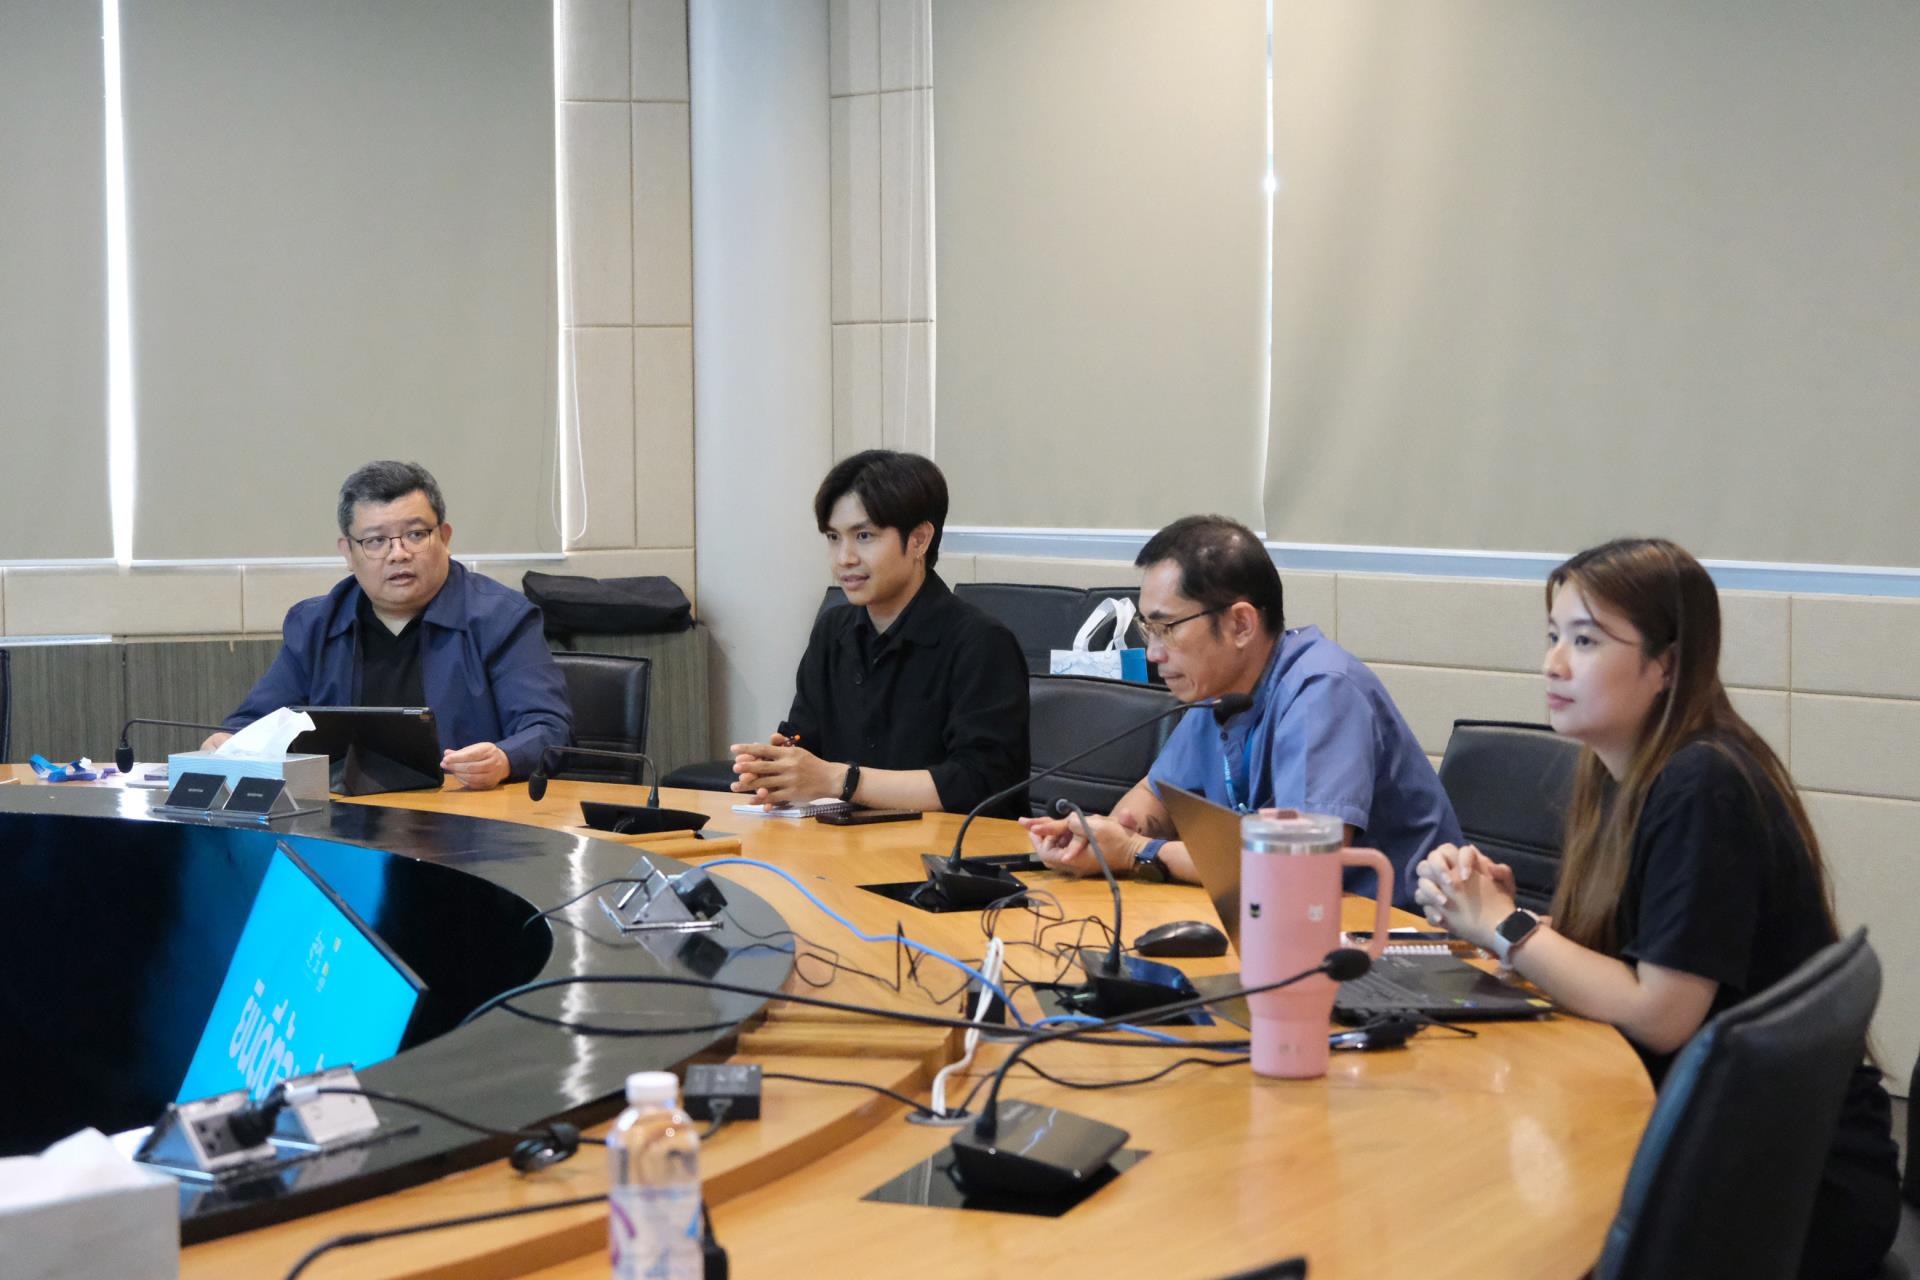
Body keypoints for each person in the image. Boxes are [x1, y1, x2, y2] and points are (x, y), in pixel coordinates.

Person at [1412, 537, 1899, 1280]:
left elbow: (1662, 1010)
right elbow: (1633, 956)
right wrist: (1502, 913)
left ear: (1667, 665)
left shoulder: (1702, 782)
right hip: (1720, 1135)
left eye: (1585, 641)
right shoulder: (1622, 769)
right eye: (1552, 636)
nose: (1553, 664)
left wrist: (1504, 928)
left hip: (1796, 1184)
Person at [1022, 515, 1459, 905]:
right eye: (1147, 628)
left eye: (1167, 628)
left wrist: (1138, 852)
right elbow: (1155, 796)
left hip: (1392, 935)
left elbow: (1302, 867)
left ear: (1241, 624)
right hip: (1280, 922)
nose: (1153, 652)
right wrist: (1098, 837)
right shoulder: (1216, 692)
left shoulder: (1323, 691)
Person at [206, 460, 572, 790]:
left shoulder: (501, 618)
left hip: (465, 816)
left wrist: (504, 758)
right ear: (348, 553)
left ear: (444, 538)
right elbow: (255, 723)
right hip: (343, 820)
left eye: (415, 534)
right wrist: (227, 742)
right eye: (376, 541)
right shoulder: (316, 624)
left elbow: (549, 729)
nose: (398, 554)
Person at [729, 450, 1029, 817]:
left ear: (919, 540)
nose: (844, 558)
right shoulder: (832, 632)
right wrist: (781, 774)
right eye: (833, 537)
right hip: (848, 839)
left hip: (951, 845)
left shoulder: (981, 642)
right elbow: (807, 742)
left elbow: (979, 783)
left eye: (864, 536)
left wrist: (840, 779)